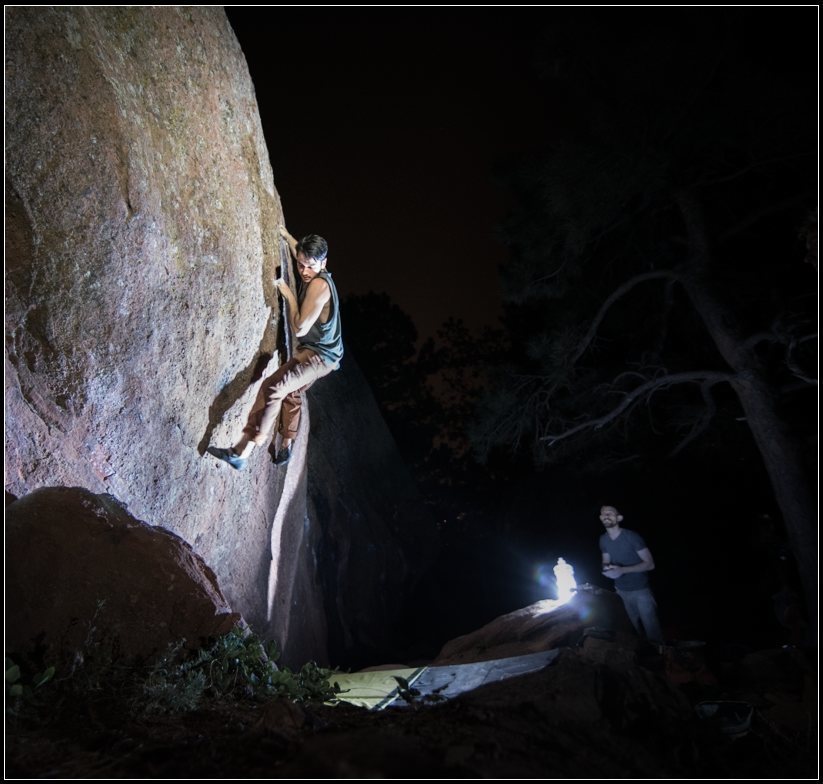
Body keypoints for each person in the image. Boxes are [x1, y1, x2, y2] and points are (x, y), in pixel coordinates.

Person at [209, 225, 343, 470]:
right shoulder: (312, 269)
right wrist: (285, 234)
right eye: (301, 264)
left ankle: (252, 443)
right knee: (288, 391)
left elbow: (300, 328)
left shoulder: (319, 285)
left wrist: (289, 295)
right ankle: (262, 449)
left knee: (274, 388)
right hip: (318, 353)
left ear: (323, 263)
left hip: (320, 357)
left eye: (310, 266)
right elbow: (297, 250)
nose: (304, 271)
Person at [599, 505, 664, 644]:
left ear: (619, 518)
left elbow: (650, 564)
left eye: (610, 513)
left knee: (653, 632)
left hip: (641, 590)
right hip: (621, 592)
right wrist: (607, 570)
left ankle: (663, 659)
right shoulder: (603, 540)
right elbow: (605, 561)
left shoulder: (632, 537)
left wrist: (621, 570)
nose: (606, 516)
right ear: (600, 518)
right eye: (604, 514)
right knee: (629, 631)